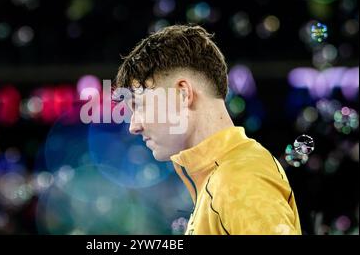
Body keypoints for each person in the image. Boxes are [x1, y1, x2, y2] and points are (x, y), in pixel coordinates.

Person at [114, 24, 301, 235]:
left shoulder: (237, 181)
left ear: (183, 94)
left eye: (141, 106)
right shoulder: (227, 174)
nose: (134, 126)